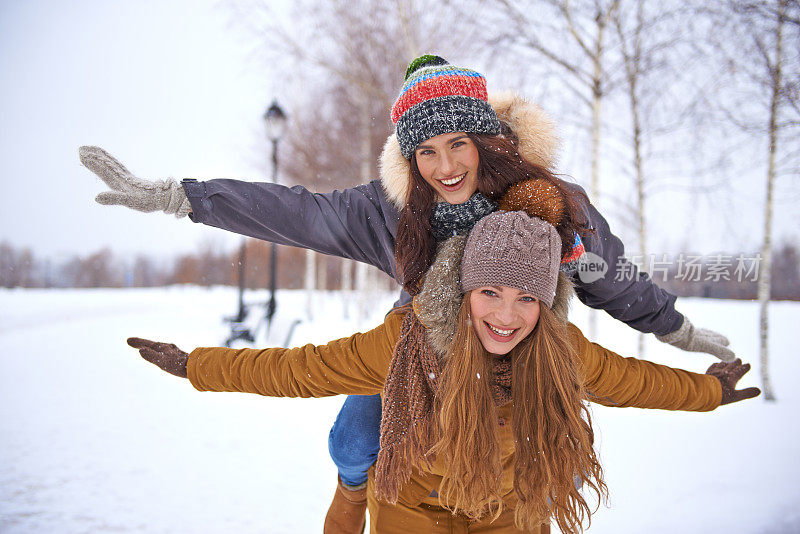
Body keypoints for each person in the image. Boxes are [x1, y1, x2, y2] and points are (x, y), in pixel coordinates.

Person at [78, 55, 739, 533]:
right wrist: (179, 197)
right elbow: (292, 211)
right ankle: (354, 491)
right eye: (426, 152)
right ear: (407, 160)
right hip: (416, 349)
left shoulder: (552, 203)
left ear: (487, 140)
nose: (446, 166)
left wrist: (677, 329)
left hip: (525, 349)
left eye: (460, 144)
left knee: (523, 456)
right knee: (356, 437)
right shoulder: (387, 210)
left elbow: (608, 279)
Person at [127, 209, 759, 533]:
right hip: (413, 499)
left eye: (526, 298)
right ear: (463, 292)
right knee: (353, 445)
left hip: (513, 504)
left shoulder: (558, 350)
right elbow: (303, 368)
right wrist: (196, 367)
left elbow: (631, 380)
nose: (508, 316)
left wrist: (707, 391)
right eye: (490, 294)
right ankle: (349, 491)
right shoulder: (409, 341)